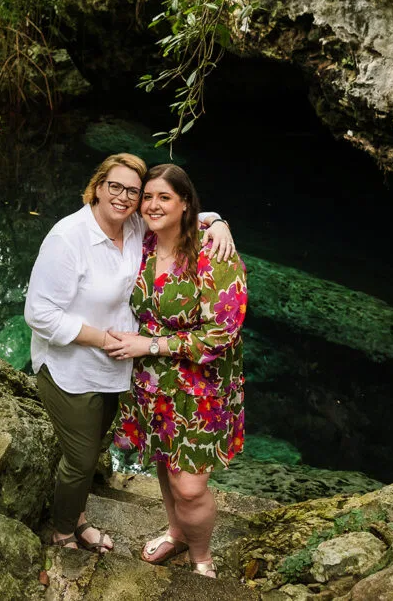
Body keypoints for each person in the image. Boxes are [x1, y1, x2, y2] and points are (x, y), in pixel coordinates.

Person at [24, 153, 234, 553]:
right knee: (82, 460)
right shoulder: (68, 237)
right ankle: (64, 531)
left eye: (132, 192)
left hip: (120, 367)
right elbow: (38, 314)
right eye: (115, 187)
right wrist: (104, 339)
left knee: (95, 446)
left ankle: (80, 518)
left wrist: (219, 221)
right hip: (72, 366)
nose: (123, 197)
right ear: (98, 186)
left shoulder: (136, 225)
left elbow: (184, 211)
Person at [107, 163, 247, 578]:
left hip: (201, 389)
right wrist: (216, 216)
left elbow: (222, 333)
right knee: (166, 463)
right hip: (153, 384)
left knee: (190, 485)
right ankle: (176, 531)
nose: (151, 205)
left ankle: (201, 556)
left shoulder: (212, 250)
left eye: (163, 197)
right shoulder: (143, 242)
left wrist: (149, 344)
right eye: (147, 196)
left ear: (185, 203)